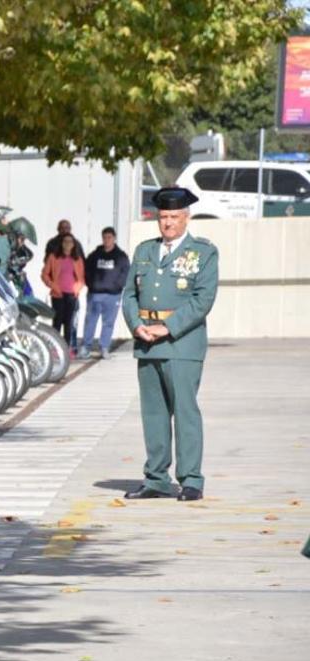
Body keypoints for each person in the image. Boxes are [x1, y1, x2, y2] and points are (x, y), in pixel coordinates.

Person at [121, 187, 218, 503]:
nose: (168, 223)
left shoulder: (203, 253)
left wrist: (168, 327)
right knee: (153, 414)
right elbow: (129, 295)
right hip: (147, 342)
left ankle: (191, 479)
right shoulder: (144, 251)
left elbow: (202, 299)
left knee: (185, 411)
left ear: (186, 217)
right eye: (163, 217)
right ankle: (156, 479)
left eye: (174, 217)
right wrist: (136, 325)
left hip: (182, 344)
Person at [81, 227, 130, 358]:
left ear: (114, 238)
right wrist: (91, 284)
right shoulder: (95, 255)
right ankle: (86, 347)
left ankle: (104, 347)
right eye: (105, 237)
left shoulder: (121, 256)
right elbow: (86, 270)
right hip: (95, 293)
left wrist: (117, 286)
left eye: (109, 237)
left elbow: (125, 273)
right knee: (90, 320)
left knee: (108, 322)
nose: (107, 240)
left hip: (113, 295)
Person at [41, 232, 85, 347]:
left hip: (71, 294)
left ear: (74, 245)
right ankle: (53, 347)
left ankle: (66, 348)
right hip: (57, 294)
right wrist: (53, 285)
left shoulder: (77, 259)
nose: (68, 244)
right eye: (65, 241)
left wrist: (77, 289)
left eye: (70, 242)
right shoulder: (53, 257)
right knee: (57, 322)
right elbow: (45, 274)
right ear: (61, 243)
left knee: (69, 323)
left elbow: (82, 277)